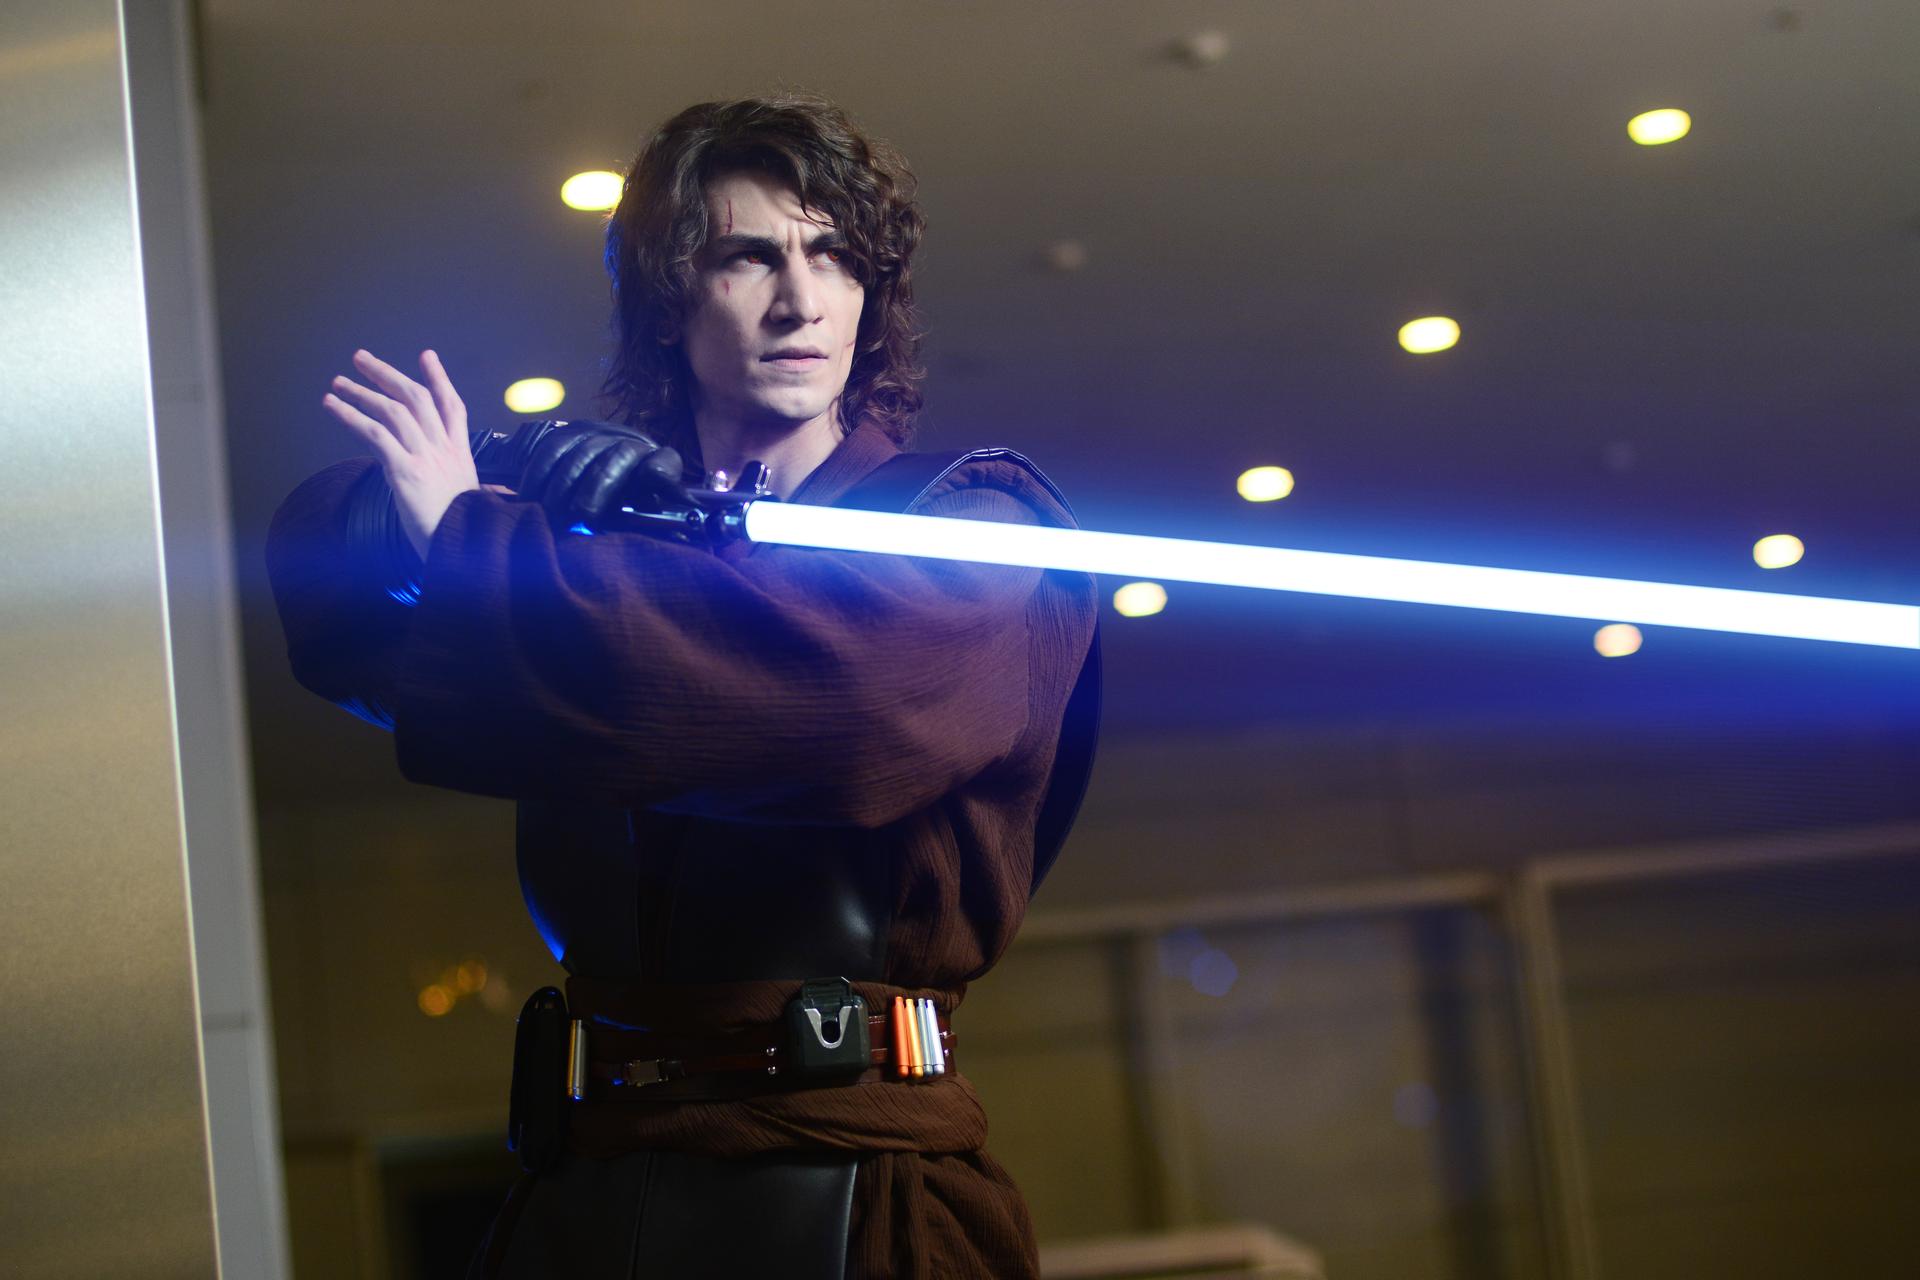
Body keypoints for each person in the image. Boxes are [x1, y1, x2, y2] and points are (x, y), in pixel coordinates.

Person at [266, 93, 1098, 1277]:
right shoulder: (592, 545)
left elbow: (824, 699)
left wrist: (476, 530)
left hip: (852, 1181)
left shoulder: (975, 522)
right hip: (589, 1186)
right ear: (669, 298)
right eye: (747, 256)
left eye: (833, 256)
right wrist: (506, 484)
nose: (801, 299)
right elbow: (322, 579)